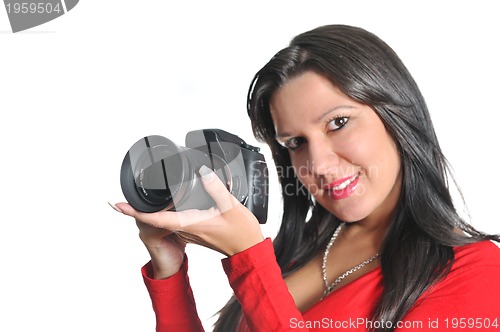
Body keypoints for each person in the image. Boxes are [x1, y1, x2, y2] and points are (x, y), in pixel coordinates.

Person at [109, 24, 500, 331]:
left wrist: (248, 260)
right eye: (295, 142)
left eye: (338, 123)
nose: (320, 164)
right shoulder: (292, 255)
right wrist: (170, 269)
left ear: (398, 115)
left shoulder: (475, 272)